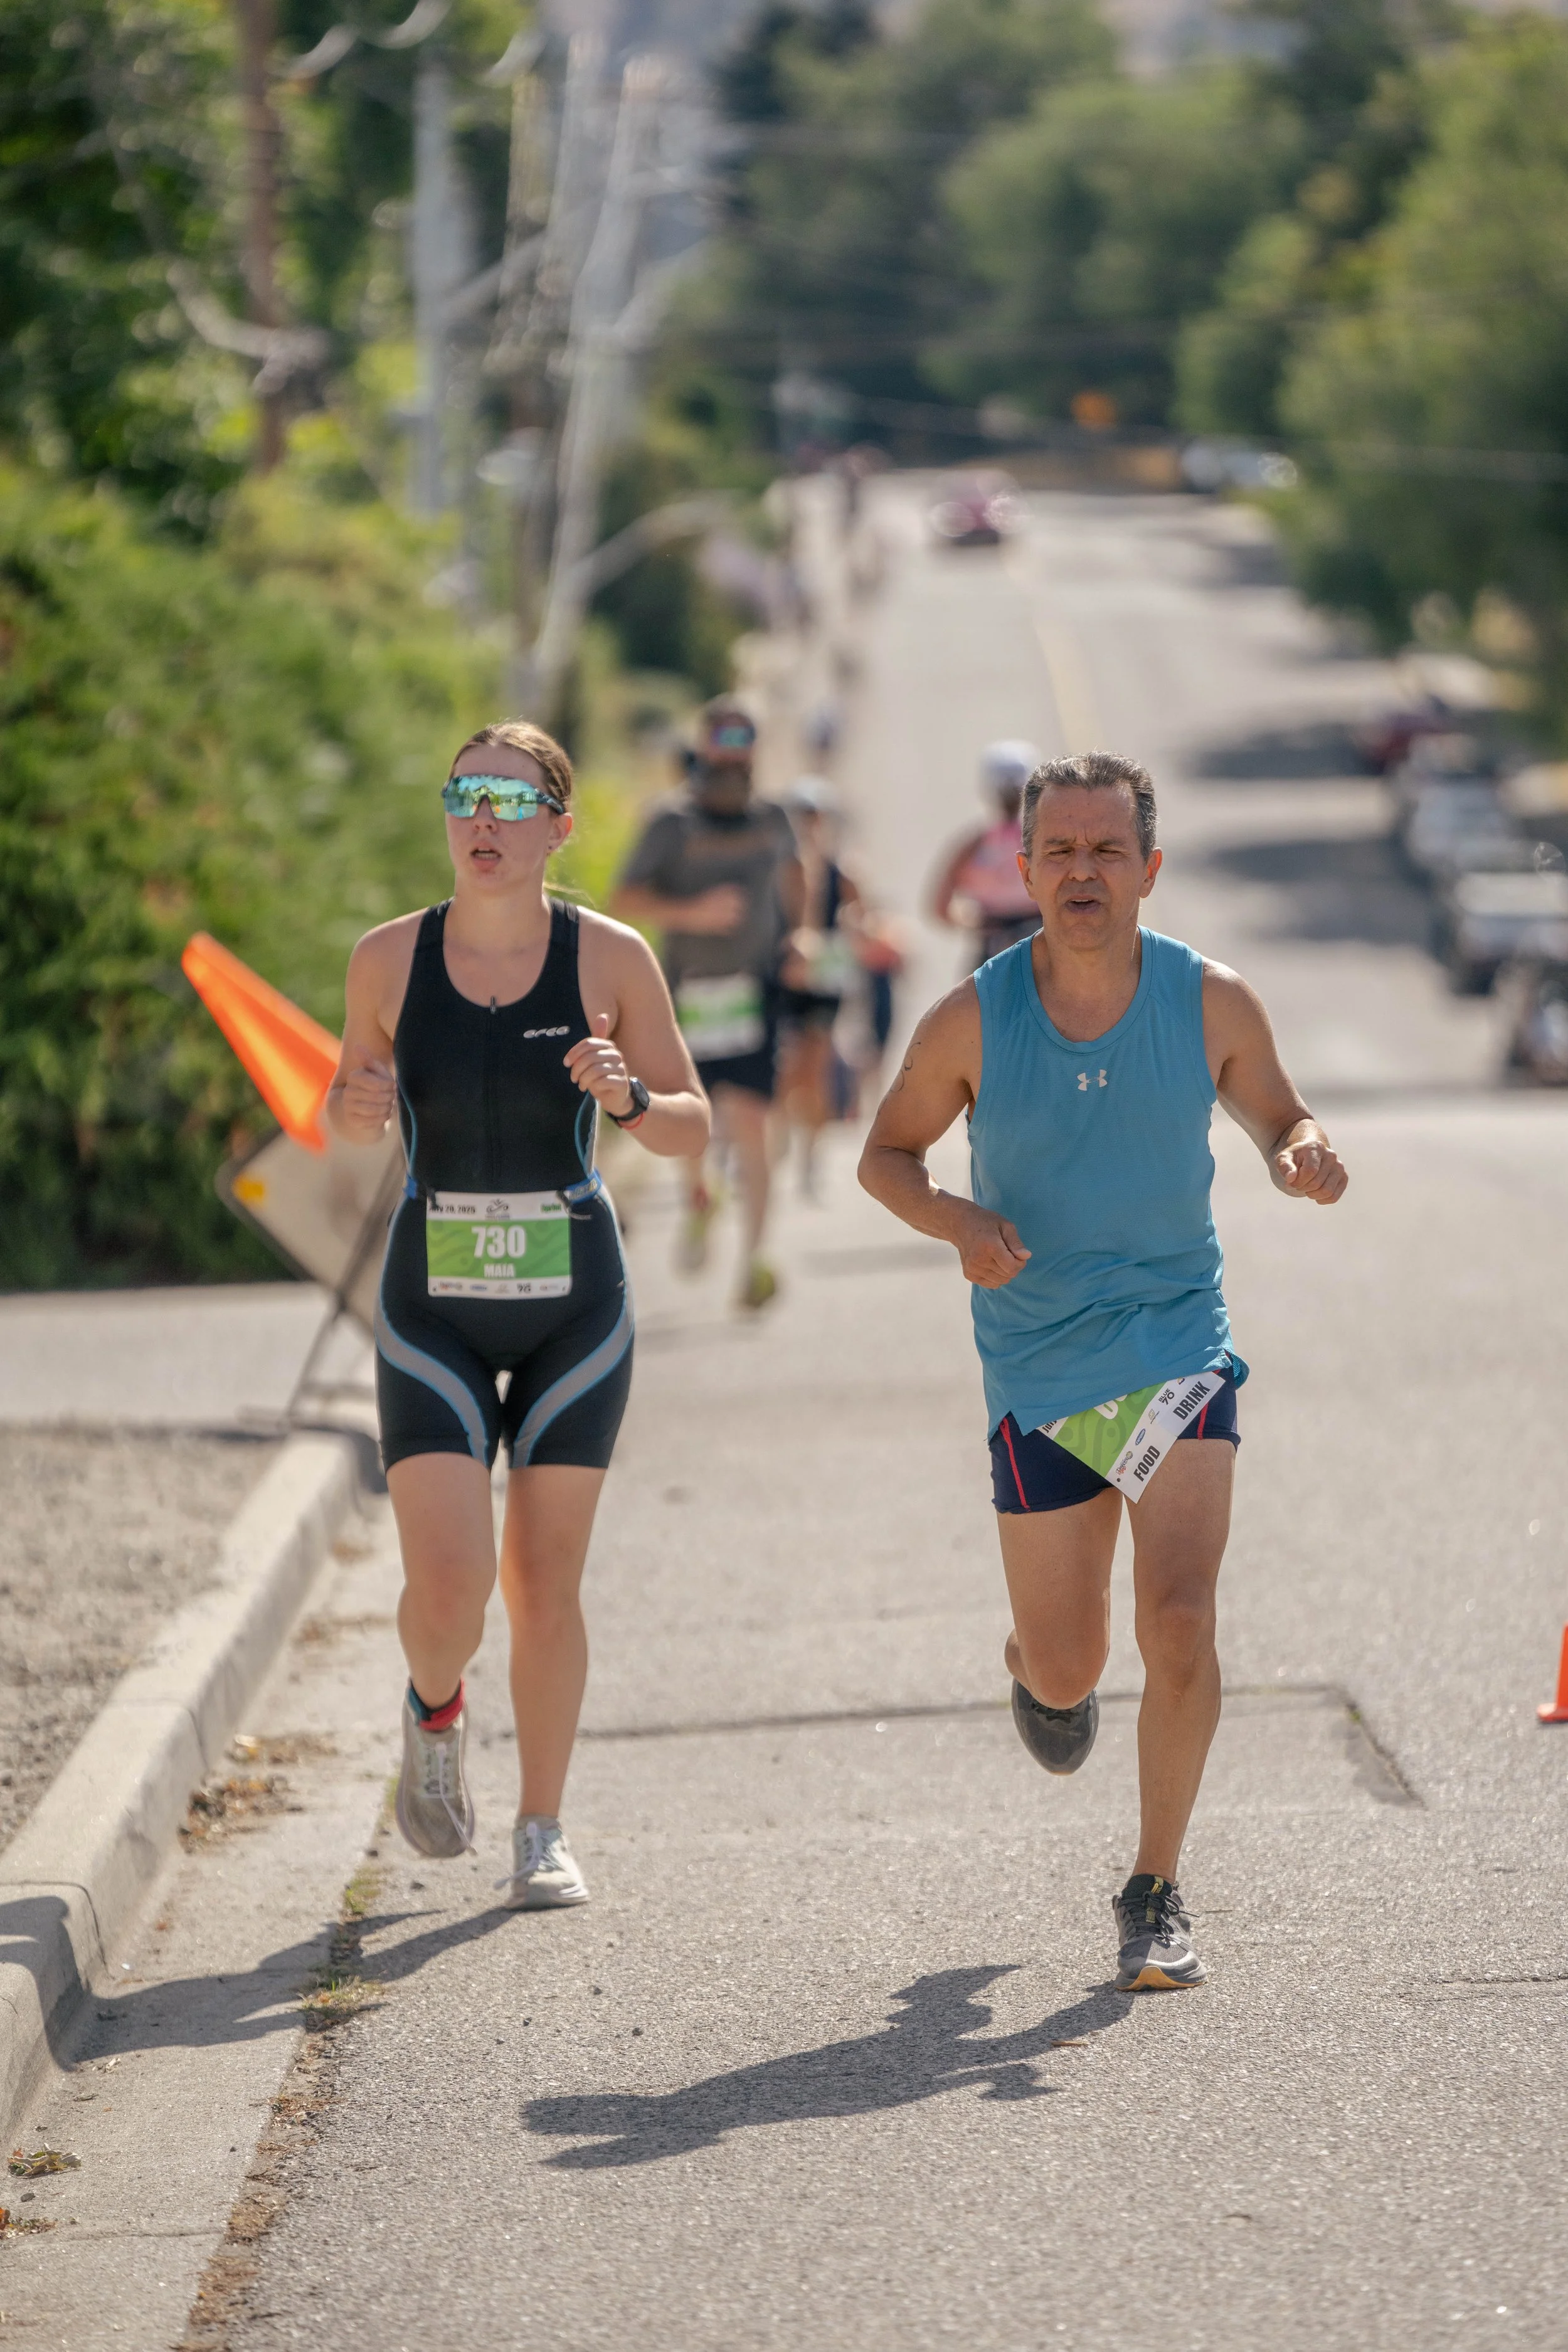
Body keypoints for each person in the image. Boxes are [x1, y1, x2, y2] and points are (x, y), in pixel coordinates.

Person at [859, 751, 1347, 1990]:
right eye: (1059, 852)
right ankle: (1036, 1670)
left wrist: (1301, 1152)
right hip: (1037, 1367)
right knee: (1069, 1663)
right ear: (1019, 868)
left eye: (1106, 851)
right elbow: (885, 1157)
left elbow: (1279, 1114)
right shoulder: (973, 1016)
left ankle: (1153, 1887)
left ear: (1148, 869)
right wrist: (961, 1224)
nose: (1082, 873)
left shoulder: (1208, 1000)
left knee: (1178, 1620)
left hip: (1177, 1344)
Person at [327, 719, 708, 1909]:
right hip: (433, 1304)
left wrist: (633, 1095)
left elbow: (694, 1123)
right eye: (463, 794)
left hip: (573, 1314)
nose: (482, 818)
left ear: (559, 824)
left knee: (546, 1584)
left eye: (508, 796)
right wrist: (355, 1104)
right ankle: (433, 1709)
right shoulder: (388, 960)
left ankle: (541, 1826)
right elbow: (345, 1104)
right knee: (449, 1592)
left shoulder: (610, 959)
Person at [613, 697, 803, 1310]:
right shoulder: (672, 821)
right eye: (721, 734)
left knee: (750, 1120)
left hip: (753, 991)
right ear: (703, 744)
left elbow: (799, 874)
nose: (733, 746)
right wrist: (692, 913)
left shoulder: (773, 816)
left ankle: (754, 1260)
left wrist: (798, 933)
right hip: (688, 996)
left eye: (744, 734)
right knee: (692, 1127)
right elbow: (624, 897)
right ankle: (699, 1195)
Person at [776, 776, 863, 1195]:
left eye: (814, 818)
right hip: (787, 979)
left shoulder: (840, 871)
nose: (807, 825)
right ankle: (779, 1143)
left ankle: (812, 1153)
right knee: (786, 1067)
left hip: (824, 980)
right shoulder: (778, 869)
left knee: (819, 1066)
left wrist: (853, 930)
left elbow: (862, 915)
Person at [928, 739, 1043, 970]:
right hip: (1041, 939)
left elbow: (940, 907)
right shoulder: (1044, 840)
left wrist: (976, 924)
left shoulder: (973, 845)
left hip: (992, 943)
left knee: (979, 1003)